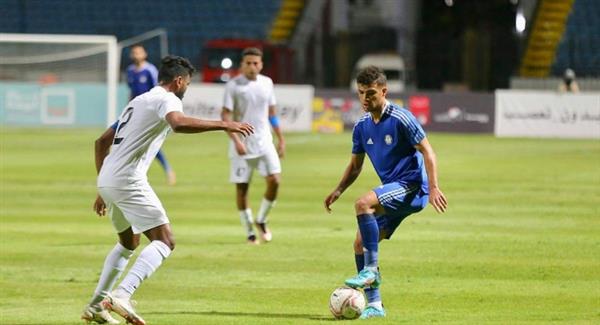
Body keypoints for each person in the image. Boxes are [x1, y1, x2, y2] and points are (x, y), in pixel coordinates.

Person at [81, 55, 254, 325]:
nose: (187, 89)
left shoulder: (137, 101)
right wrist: (225, 125)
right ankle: (122, 295)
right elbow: (178, 123)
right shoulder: (168, 99)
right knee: (165, 241)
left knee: (129, 242)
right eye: (187, 84)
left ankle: (95, 306)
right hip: (128, 179)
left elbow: (101, 141)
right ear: (179, 81)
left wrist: (102, 186)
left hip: (109, 179)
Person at [323, 66, 448, 319]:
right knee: (360, 243)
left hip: (413, 187)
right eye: (361, 94)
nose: (365, 100)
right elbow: (356, 166)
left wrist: (433, 187)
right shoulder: (361, 127)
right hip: (394, 191)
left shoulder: (401, 118)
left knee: (363, 204)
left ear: (384, 91)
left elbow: (428, 151)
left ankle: (370, 270)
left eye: (370, 94)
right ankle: (375, 305)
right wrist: (338, 189)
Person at [221, 47, 285, 245]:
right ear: (242, 65)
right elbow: (225, 116)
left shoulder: (267, 83)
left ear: (261, 65)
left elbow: (272, 113)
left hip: (264, 141)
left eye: (255, 63)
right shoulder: (233, 86)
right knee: (242, 189)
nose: (251, 66)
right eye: (248, 63)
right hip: (242, 144)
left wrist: (281, 138)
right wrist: (236, 141)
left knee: (275, 180)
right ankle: (249, 231)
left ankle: (262, 220)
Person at [127, 44, 177, 185]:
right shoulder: (130, 71)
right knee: (141, 142)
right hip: (136, 112)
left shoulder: (150, 70)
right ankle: (134, 172)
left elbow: (159, 91)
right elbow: (131, 93)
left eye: (139, 52)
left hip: (150, 113)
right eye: (134, 53)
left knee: (150, 143)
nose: (136, 55)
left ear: (144, 54)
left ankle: (167, 169)